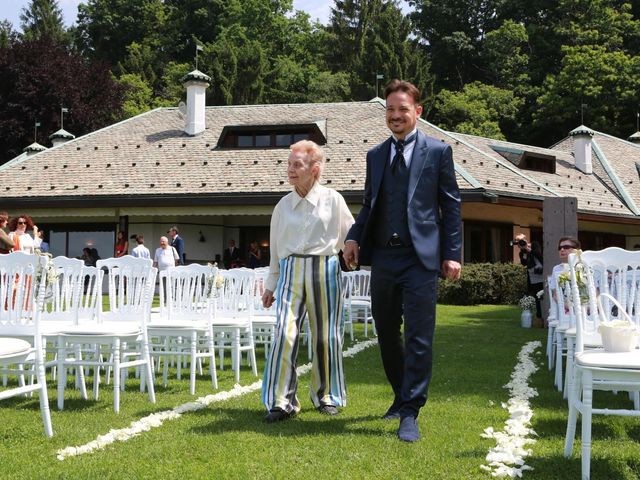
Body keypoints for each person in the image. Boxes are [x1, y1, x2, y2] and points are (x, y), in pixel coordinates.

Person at [342, 79, 462, 443]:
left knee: (419, 336)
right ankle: (400, 393)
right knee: (385, 331)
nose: (395, 116)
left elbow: (451, 206)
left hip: (421, 257)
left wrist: (452, 254)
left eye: (402, 110)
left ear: (417, 112)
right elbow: (371, 204)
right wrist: (352, 236)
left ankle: (410, 411)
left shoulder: (438, 152)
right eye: (390, 110)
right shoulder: (375, 155)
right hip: (385, 257)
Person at [261, 140, 354, 423]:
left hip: (324, 270)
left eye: (296, 165)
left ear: (314, 169)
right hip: (290, 272)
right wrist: (270, 285)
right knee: (284, 335)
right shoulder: (282, 206)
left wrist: (352, 255)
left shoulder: (334, 200)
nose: (290, 170)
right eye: (288, 164)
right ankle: (281, 401)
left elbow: (348, 238)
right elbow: (276, 250)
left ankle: (327, 396)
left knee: (326, 337)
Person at [515, 233, 544, 321]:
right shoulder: (522, 252)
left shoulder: (534, 245)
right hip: (533, 277)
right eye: (518, 241)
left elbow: (539, 254)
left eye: (521, 240)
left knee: (545, 295)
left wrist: (528, 248)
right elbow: (524, 263)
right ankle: (539, 317)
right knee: (537, 297)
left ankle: (546, 314)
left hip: (541, 274)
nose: (520, 242)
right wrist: (523, 251)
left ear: (525, 239)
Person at [548, 236, 581, 301]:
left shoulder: (584, 266)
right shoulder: (556, 269)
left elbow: (595, 291)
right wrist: (568, 306)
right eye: (560, 248)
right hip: (567, 307)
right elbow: (555, 295)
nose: (562, 250)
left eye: (566, 247)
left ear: (575, 250)